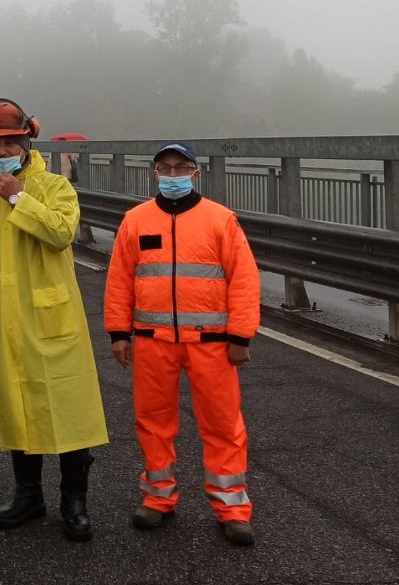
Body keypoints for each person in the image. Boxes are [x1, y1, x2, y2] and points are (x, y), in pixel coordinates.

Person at [0, 99, 109, 542]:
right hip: (3, 326)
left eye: (9, 141)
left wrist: (18, 197)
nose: (1, 149)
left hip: (52, 324)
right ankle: (28, 495)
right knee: (17, 412)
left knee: (69, 412)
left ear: (26, 140)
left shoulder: (55, 187)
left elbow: (60, 233)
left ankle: (74, 502)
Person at [103, 141, 260, 546]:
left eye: (181, 167)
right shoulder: (136, 220)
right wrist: (119, 333)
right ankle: (158, 498)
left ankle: (232, 509)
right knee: (152, 422)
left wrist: (240, 335)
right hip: (153, 341)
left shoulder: (220, 220)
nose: (173, 175)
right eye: (165, 167)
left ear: (196, 172)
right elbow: (120, 279)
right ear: (155, 173)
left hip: (212, 343)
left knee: (223, 424)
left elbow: (243, 279)